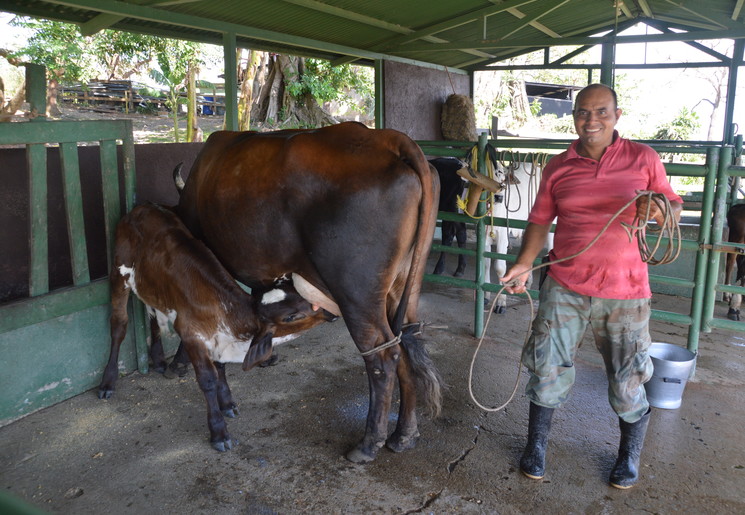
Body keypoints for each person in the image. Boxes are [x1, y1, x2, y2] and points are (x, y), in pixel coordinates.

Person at [500, 83, 683, 489]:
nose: (591, 120)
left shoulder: (644, 158)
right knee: (546, 365)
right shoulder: (558, 166)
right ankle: (536, 447)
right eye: (583, 112)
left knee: (628, 376)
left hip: (627, 290)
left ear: (617, 115)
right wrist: (524, 263)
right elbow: (540, 219)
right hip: (564, 286)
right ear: (574, 116)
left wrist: (658, 209)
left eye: (601, 112)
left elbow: (672, 204)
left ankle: (628, 456)